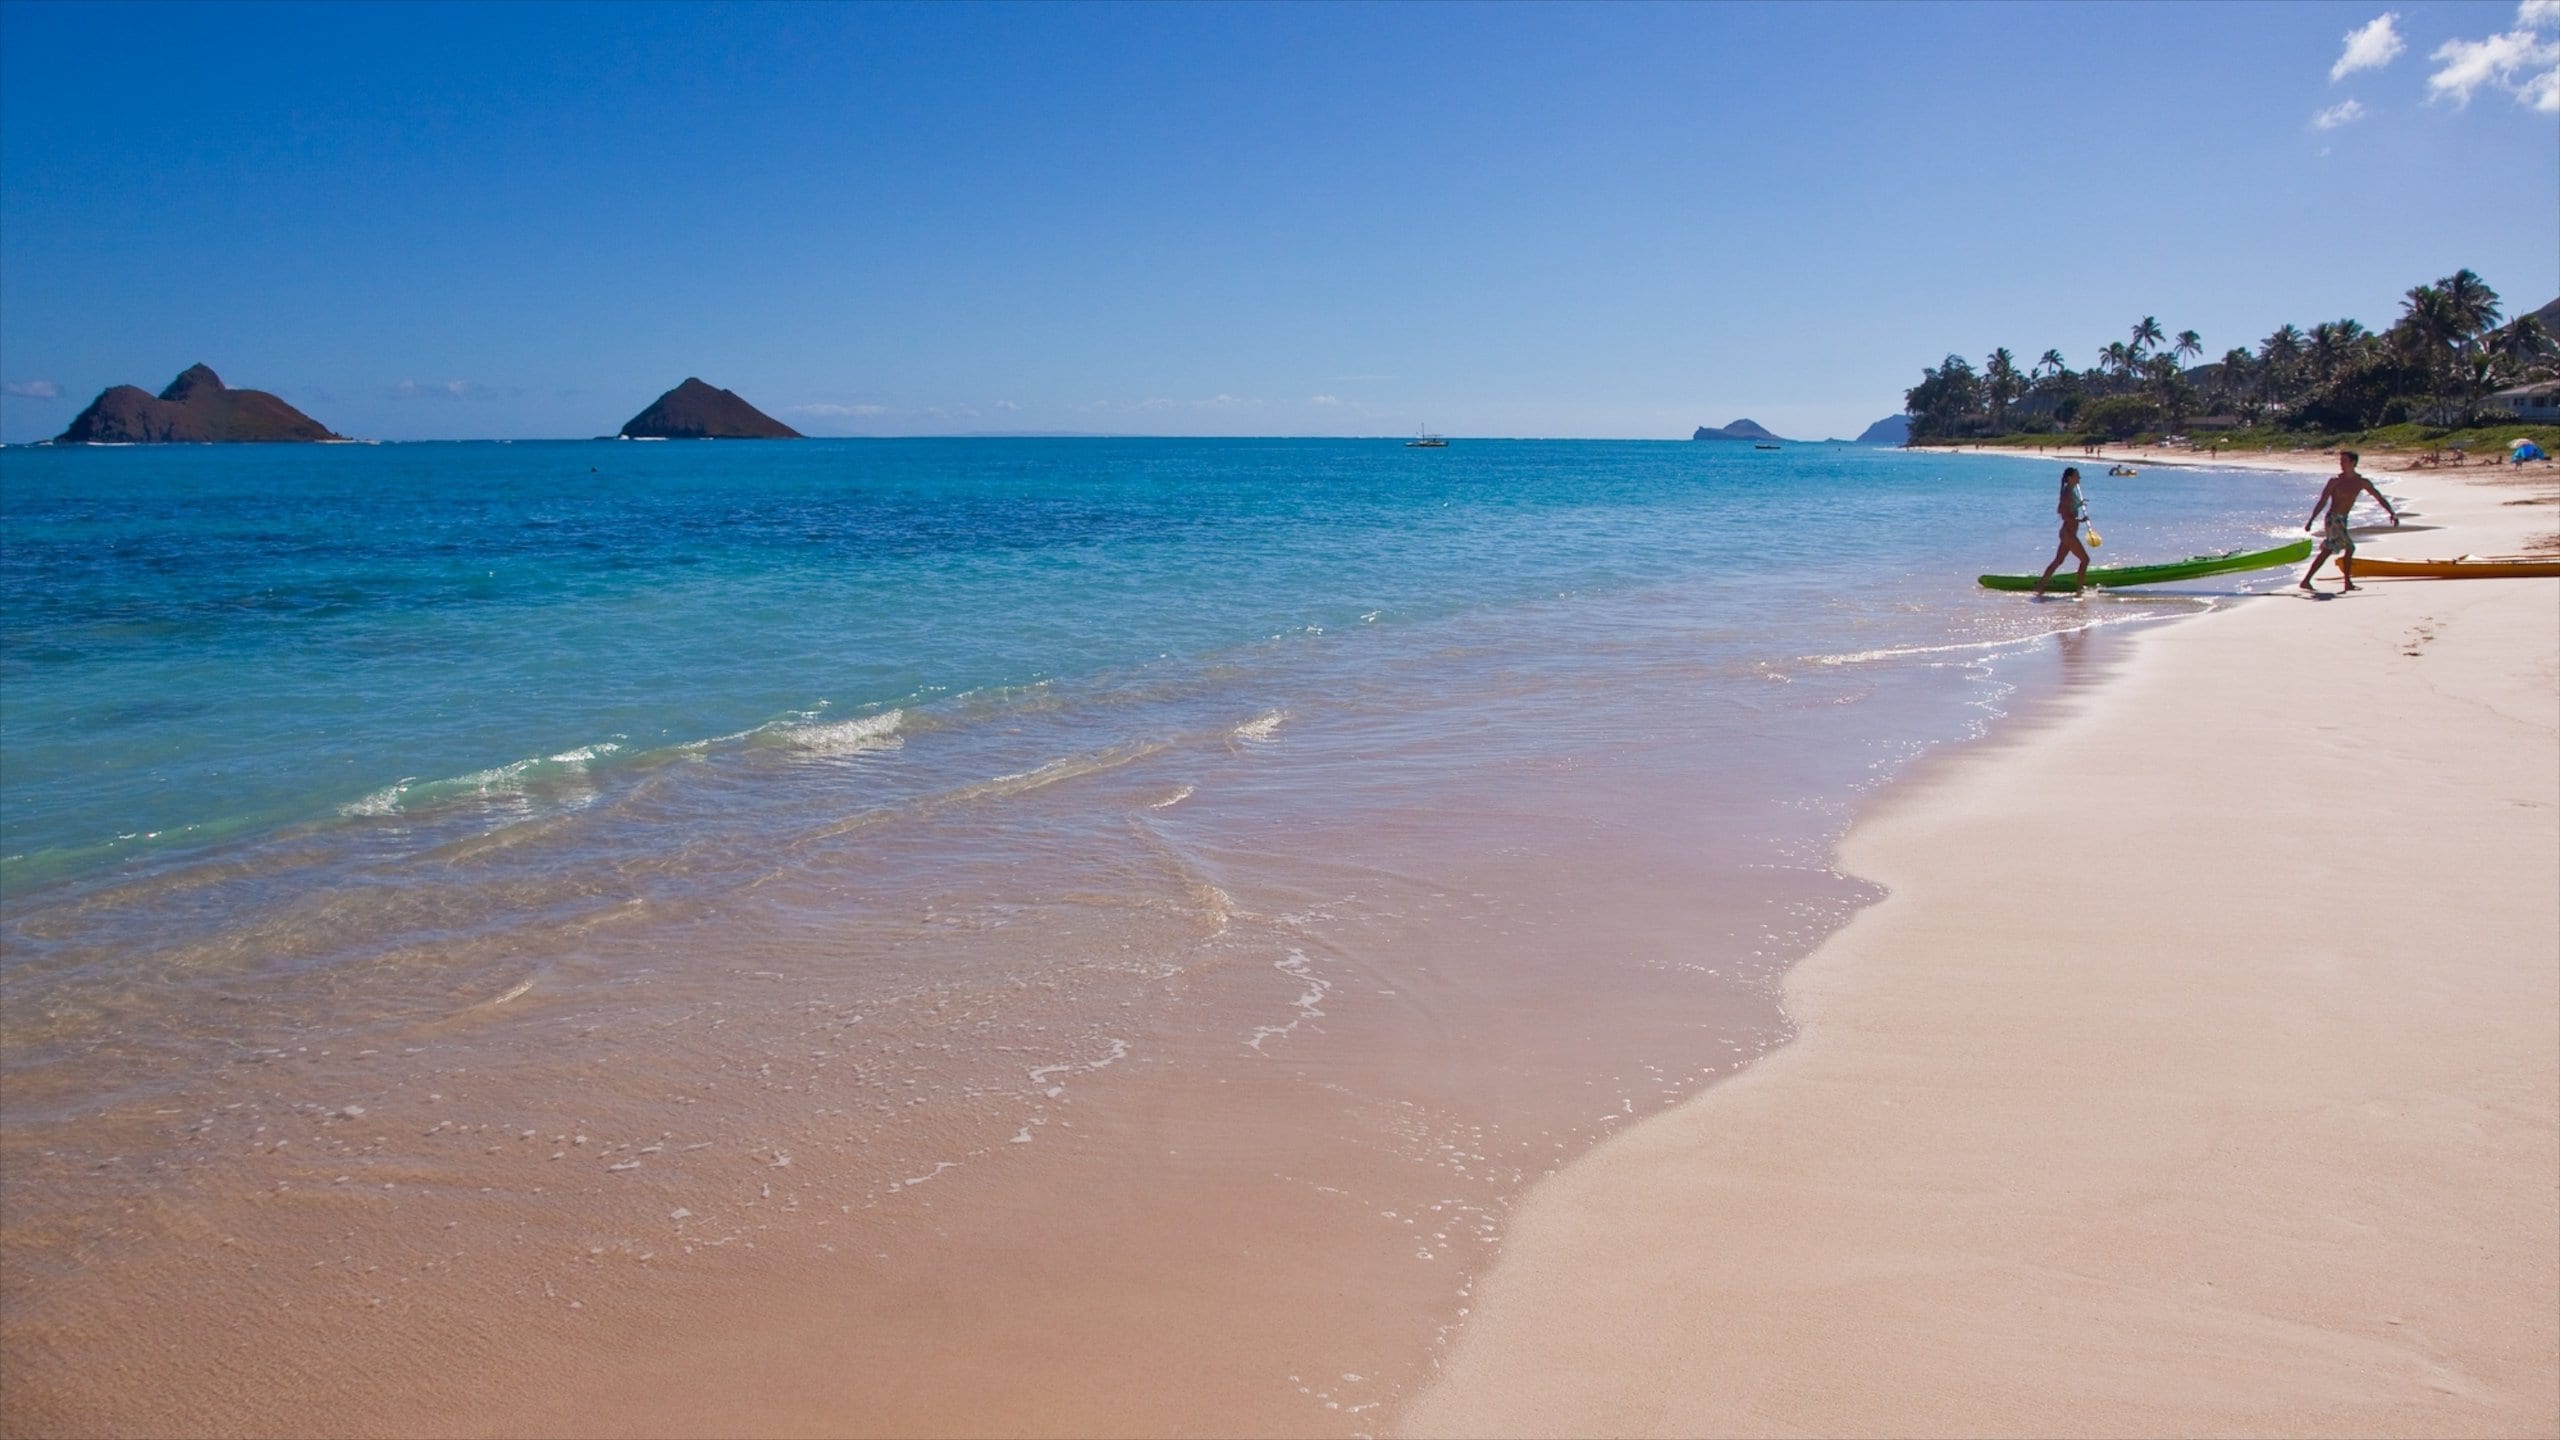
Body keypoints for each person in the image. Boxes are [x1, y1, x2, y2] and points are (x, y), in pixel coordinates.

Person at [2299, 449, 2399, 592]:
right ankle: (2346, 583)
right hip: (2333, 519)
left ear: (2353, 462)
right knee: (2349, 548)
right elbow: (2322, 501)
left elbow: (2379, 497)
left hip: (2343, 519)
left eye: (2344, 461)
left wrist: (2391, 513)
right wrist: (2311, 520)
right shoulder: (2335, 481)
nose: (2341, 464)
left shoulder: (2361, 482)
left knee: (2328, 550)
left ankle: (2307, 581)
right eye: (2340, 461)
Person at [2034, 466, 2092, 597]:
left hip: (2067, 533)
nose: (2079, 478)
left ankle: (2040, 587)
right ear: (2070, 478)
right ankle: (2079, 591)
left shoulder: (2070, 491)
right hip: (2068, 534)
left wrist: (2079, 504)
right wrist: (2080, 520)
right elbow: (2063, 513)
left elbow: (2067, 508)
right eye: (2077, 476)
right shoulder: (2067, 493)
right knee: (2085, 560)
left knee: (2058, 561)